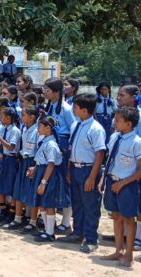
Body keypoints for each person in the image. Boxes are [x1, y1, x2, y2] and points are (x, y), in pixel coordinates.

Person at [55, 93, 106, 252]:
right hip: (75, 169)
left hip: (88, 169)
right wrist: (70, 169)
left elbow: (100, 154)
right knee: (77, 202)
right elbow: (72, 149)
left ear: (84, 110)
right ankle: (78, 232)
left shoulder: (95, 128)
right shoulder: (76, 125)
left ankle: (91, 239)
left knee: (90, 205)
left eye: (76, 107)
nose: (73, 109)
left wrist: (92, 177)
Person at [100, 107, 141, 268]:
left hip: (127, 185)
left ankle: (129, 254)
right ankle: (118, 250)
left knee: (128, 219)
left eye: (118, 120)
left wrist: (122, 183)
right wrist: (104, 179)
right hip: (112, 181)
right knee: (116, 216)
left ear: (129, 124)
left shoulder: (136, 143)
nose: (114, 122)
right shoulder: (115, 137)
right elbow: (110, 159)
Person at [30, 116, 71, 243]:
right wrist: (35, 169)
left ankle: (50, 232)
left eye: (40, 126)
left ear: (48, 128)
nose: (38, 129)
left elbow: (51, 164)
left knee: (49, 204)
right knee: (42, 203)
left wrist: (43, 182)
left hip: (49, 176)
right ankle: (47, 230)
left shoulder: (51, 144)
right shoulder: (45, 141)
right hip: (42, 172)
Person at [43, 77, 75, 234]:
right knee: (52, 182)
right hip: (51, 144)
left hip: (62, 146)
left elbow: (73, 129)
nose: (45, 92)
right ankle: (49, 219)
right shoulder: (49, 106)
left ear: (56, 92)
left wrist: (67, 150)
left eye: (48, 90)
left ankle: (66, 221)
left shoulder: (67, 109)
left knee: (64, 182)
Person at [5, 105, 40, 231]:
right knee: (18, 189)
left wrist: (35, 166)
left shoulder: (37, 131)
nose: (21, 116)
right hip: (23, 160)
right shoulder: (24, 128)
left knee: (32, 192)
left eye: (24, 114)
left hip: (33, 162)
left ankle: (32, 221)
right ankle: (18, 218)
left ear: (32, 117)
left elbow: (39, 150)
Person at [0, 108, 21, 224]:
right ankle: (1, 211)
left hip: (11, 160)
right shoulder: (1, 128)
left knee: (9, 188)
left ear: (8, 117)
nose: (0, 119)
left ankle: (10, 214)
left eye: (2, 116)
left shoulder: (15, 131)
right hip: (1, 158)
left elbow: (11, 147)